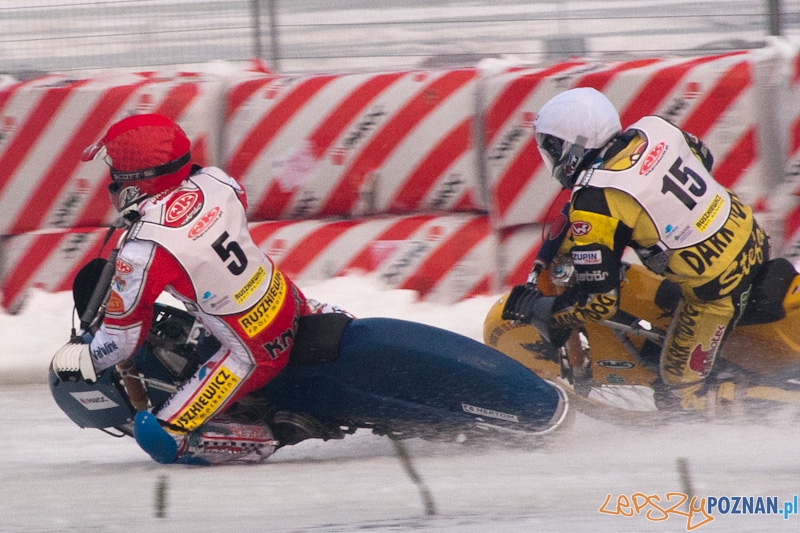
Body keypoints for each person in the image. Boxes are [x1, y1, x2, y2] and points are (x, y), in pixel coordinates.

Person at [51, 113, 350, 463]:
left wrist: (85, 357)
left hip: (255, 351)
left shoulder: (144, 250)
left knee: (162, 440)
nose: (111, 180)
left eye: (114, 171)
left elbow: (122, 339)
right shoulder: (219, 181)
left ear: (135, 181)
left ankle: (275, 433)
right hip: (289, 300)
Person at [502, 87, 770, 412]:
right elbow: (703, 157)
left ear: (572, 146)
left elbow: (598, 302)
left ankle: (769, 410)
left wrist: (543, 312)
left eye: (552, 148)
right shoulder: (654, 128)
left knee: (678, 395)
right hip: (753, 238)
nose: (552, 157)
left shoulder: (595, 201)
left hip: (718, 289)